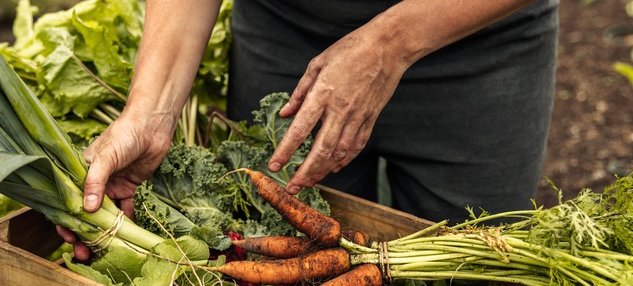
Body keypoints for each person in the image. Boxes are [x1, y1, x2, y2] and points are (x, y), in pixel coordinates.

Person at [58, 0, 559, 260]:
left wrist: (389, 43)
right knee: (282, 254)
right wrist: (152, 111)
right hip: (287, 35)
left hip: (478, 45)